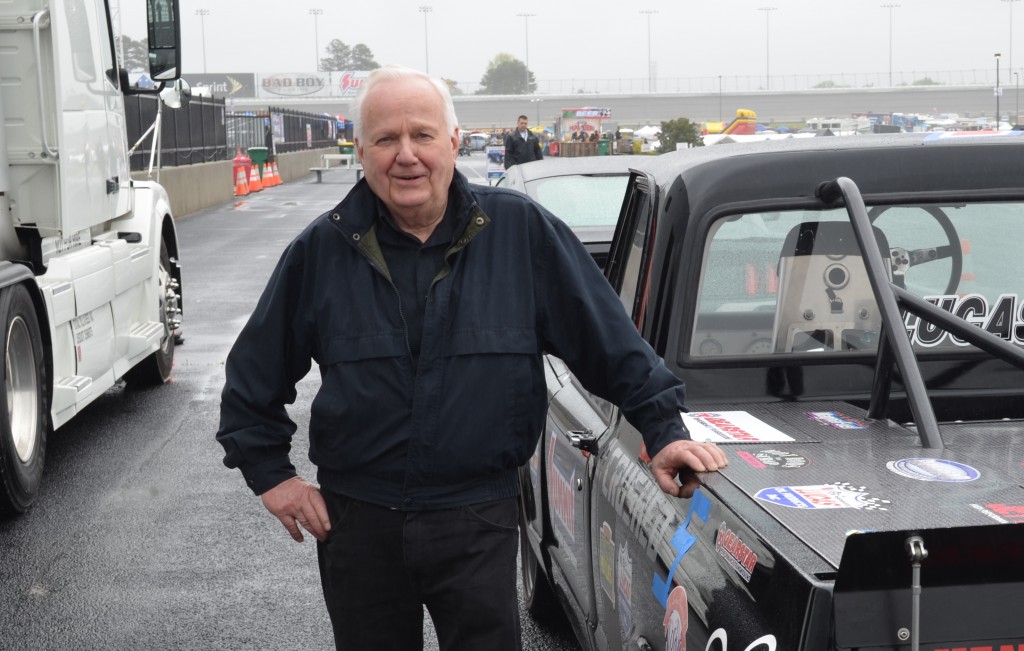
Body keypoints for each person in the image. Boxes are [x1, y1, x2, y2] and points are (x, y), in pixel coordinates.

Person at [216, 64, 727, 651]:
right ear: (360, 151)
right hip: (358, 524)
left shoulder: (520, 233)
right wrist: (272, 477)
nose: (406, 155)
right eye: (386, 139)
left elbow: (609, 341)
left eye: (423, 135)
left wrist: (663, 430)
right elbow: (252, 380)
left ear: (455, 142)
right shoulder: (320, 251)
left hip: (476, 518)